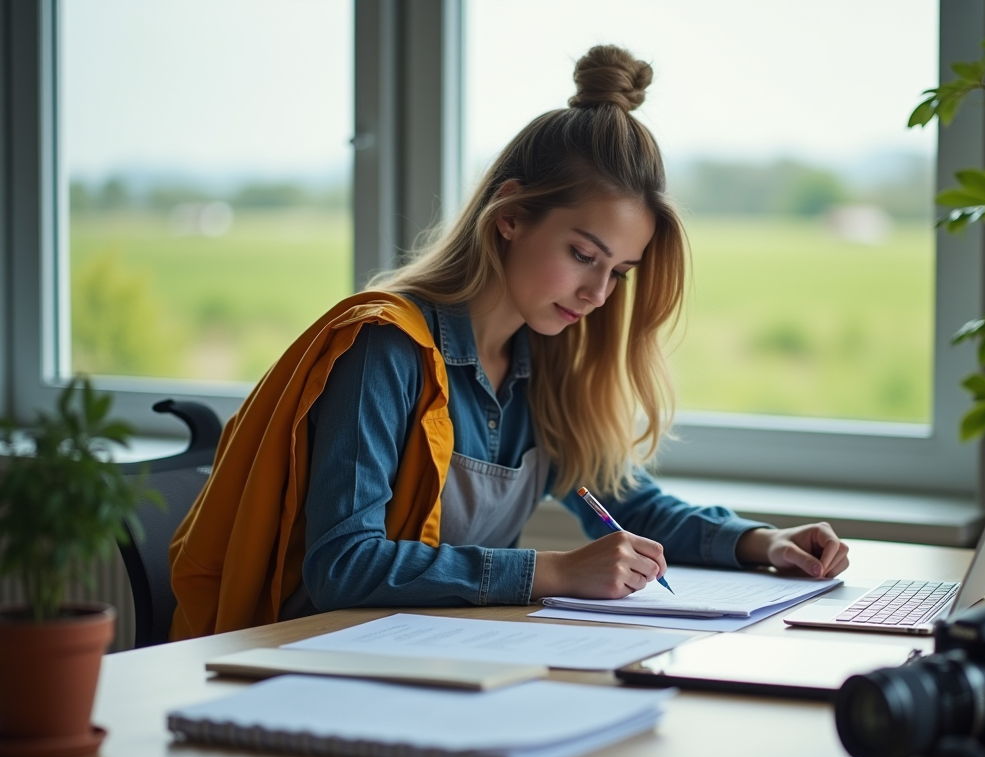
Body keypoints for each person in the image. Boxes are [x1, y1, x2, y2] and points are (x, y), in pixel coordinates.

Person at [167, 45, 849, 640]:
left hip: (422, 658)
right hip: (311, 664)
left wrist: (764, 542)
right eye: (584, 255)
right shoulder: (385, 350)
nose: (598, 294)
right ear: (512, 216)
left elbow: (629, 502)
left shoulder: (542, 367)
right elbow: (344, 565)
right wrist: (552, 571)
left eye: (618, 272)